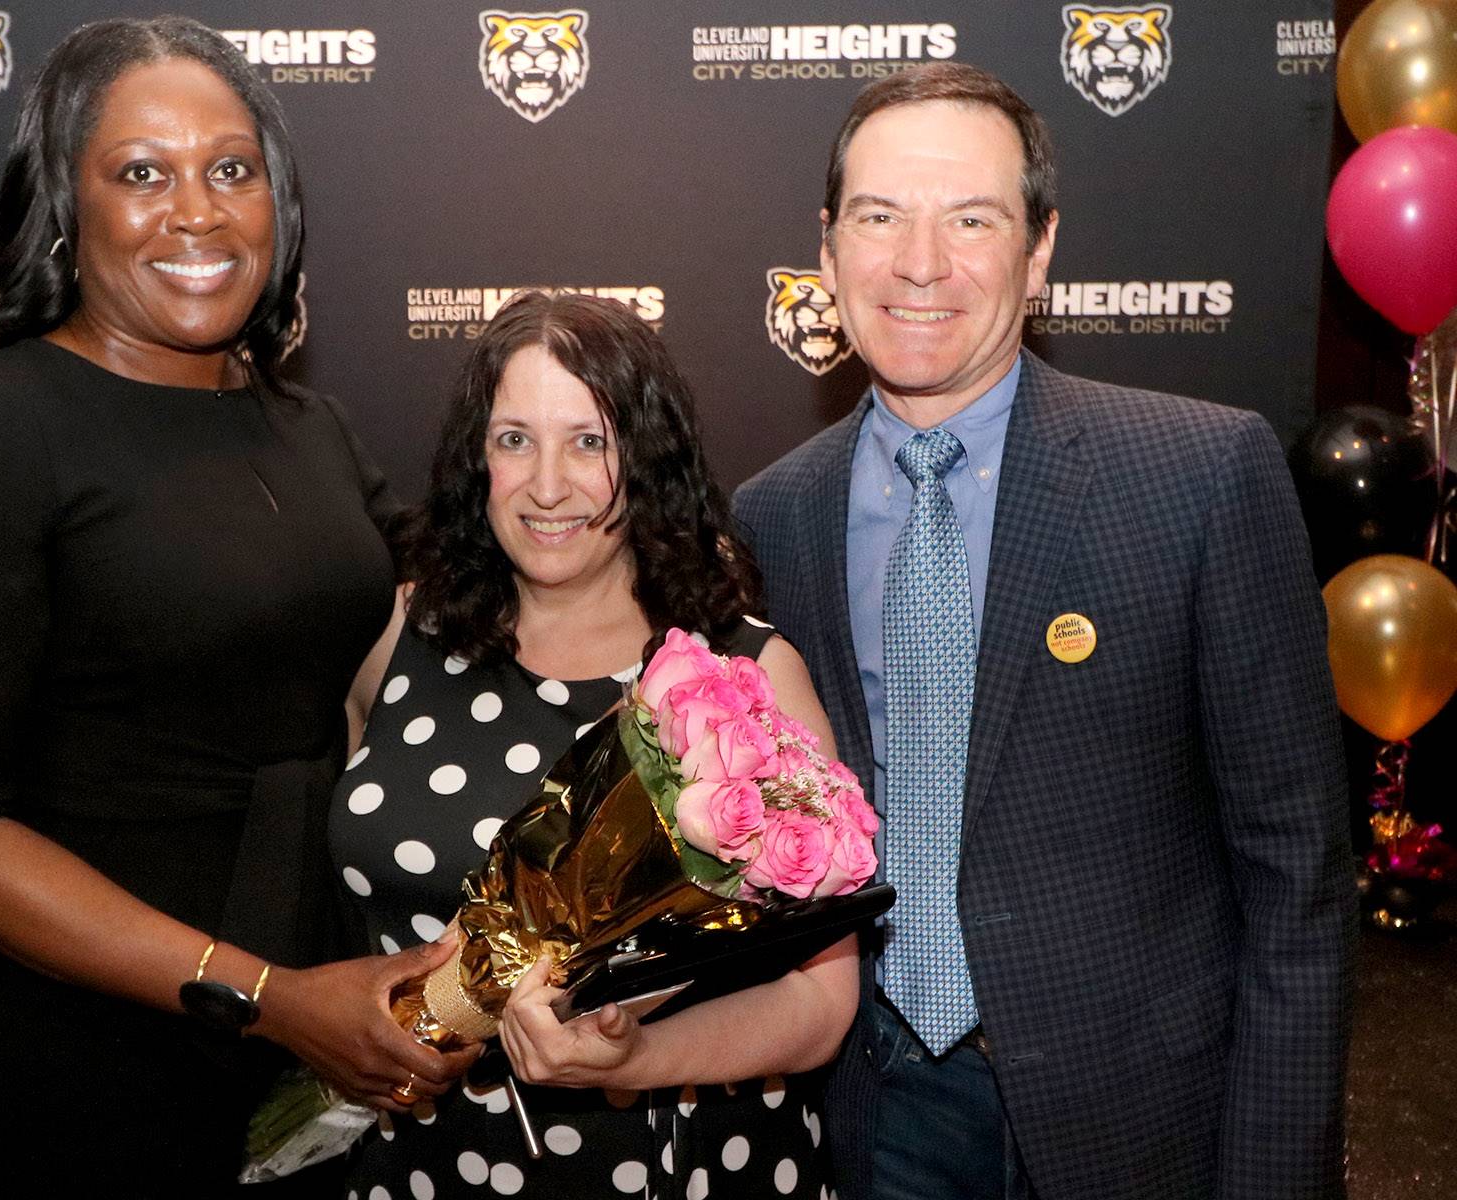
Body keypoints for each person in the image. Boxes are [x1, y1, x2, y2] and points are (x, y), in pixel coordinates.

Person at [0, 18, 471, 1197]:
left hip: (319, 993)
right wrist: (262, 995)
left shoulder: (307, 424)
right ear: (65, 206)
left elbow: (437, 616)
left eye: (232, 170)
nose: (198, 211)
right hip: (93, 1034)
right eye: (141, 173)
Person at [733, 63, 1353, 1200]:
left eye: (971, 219)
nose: (920, 263)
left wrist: (1276, 1172)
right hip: (883, 1111)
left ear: (1041, 248)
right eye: (880, 218)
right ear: (826, 249)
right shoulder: (774, 514)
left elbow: (1296, 871)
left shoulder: (1200, 474)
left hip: (1149, 1116)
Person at [328, 291, 860, 1197]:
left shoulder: (745, 677)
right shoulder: (401, 636)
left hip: (678, 1168)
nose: (547, 485)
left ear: (647, 460)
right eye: (514, 440)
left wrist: (631, 1058)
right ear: (475, 460)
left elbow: (820, 1002)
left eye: (589, 441)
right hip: (422, 1164)